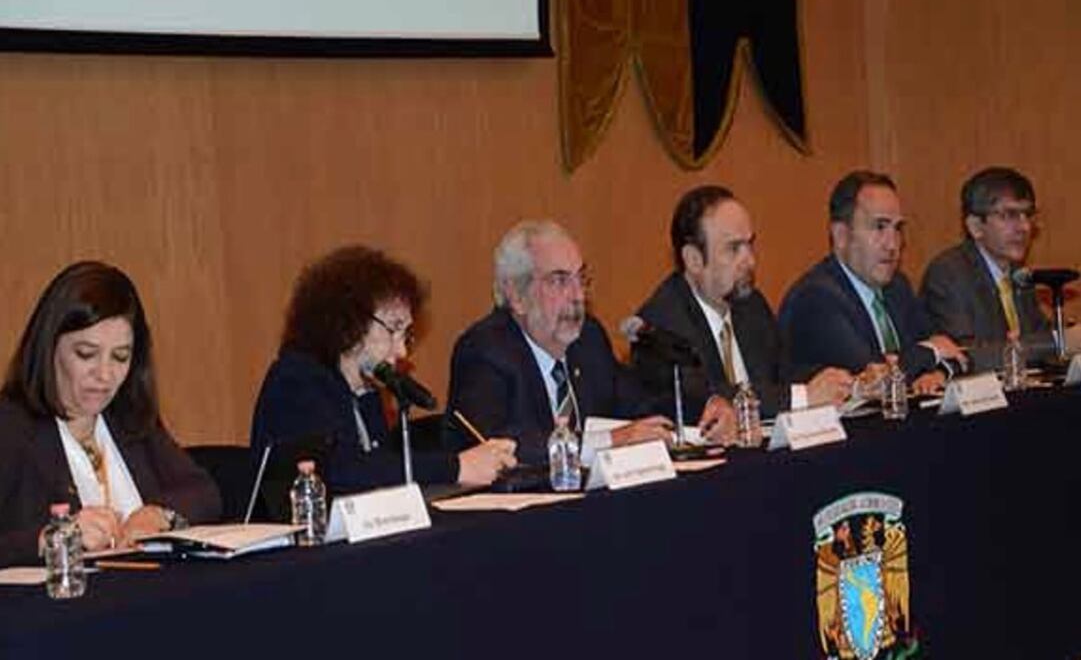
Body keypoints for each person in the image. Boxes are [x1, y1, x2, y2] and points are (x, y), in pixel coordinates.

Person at [250, 245, 515, 519]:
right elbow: (344, 472)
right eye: (393, 329)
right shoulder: (296, 381)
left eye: (406, 334)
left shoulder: (366, 389)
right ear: (349, 321)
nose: (401, 352)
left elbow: (382, 475)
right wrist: (456, 467)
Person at [445, 220, 733, 465]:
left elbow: (639, 401)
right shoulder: (484, 351)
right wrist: (609, 441)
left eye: (581, 279)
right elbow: (500, 447)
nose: (578, 296)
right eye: (559, 281)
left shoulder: (587, 339)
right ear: (517, 295)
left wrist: (706, 411)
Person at [0, 261, 221, 567]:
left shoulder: (128, 417)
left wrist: (159, 514)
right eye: (86, 354)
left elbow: (204, 492)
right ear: (49, 347)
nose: (104, 375)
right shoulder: (11, 428)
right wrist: (50, 539)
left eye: (120, 357)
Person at [631, 185, 853, 420]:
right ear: (694, 260)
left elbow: (782, 373)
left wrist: (845, 383)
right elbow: (703, 397)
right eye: (734, 248)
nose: (750, 260)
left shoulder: (751, 305)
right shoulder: (660, 326)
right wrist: (802, 397)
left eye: (750, 244)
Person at [778, 171, 966, 394]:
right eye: (879, 227)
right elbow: (872, 379)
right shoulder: (815, 298)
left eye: (897, 229)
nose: (893, 244)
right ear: (841, 236)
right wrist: (931, 352)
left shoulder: (897, 287)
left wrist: (938, 373)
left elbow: (954, 351)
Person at [920, 166, 1080, 371]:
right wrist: (1058, 342)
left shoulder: (1017, 274)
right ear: (975, 226)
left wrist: (1068, 336)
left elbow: (1039, 335)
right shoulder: (948, 275)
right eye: (1009, 215)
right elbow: (967, 356)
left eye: (1028, 214)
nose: (1024, 227)